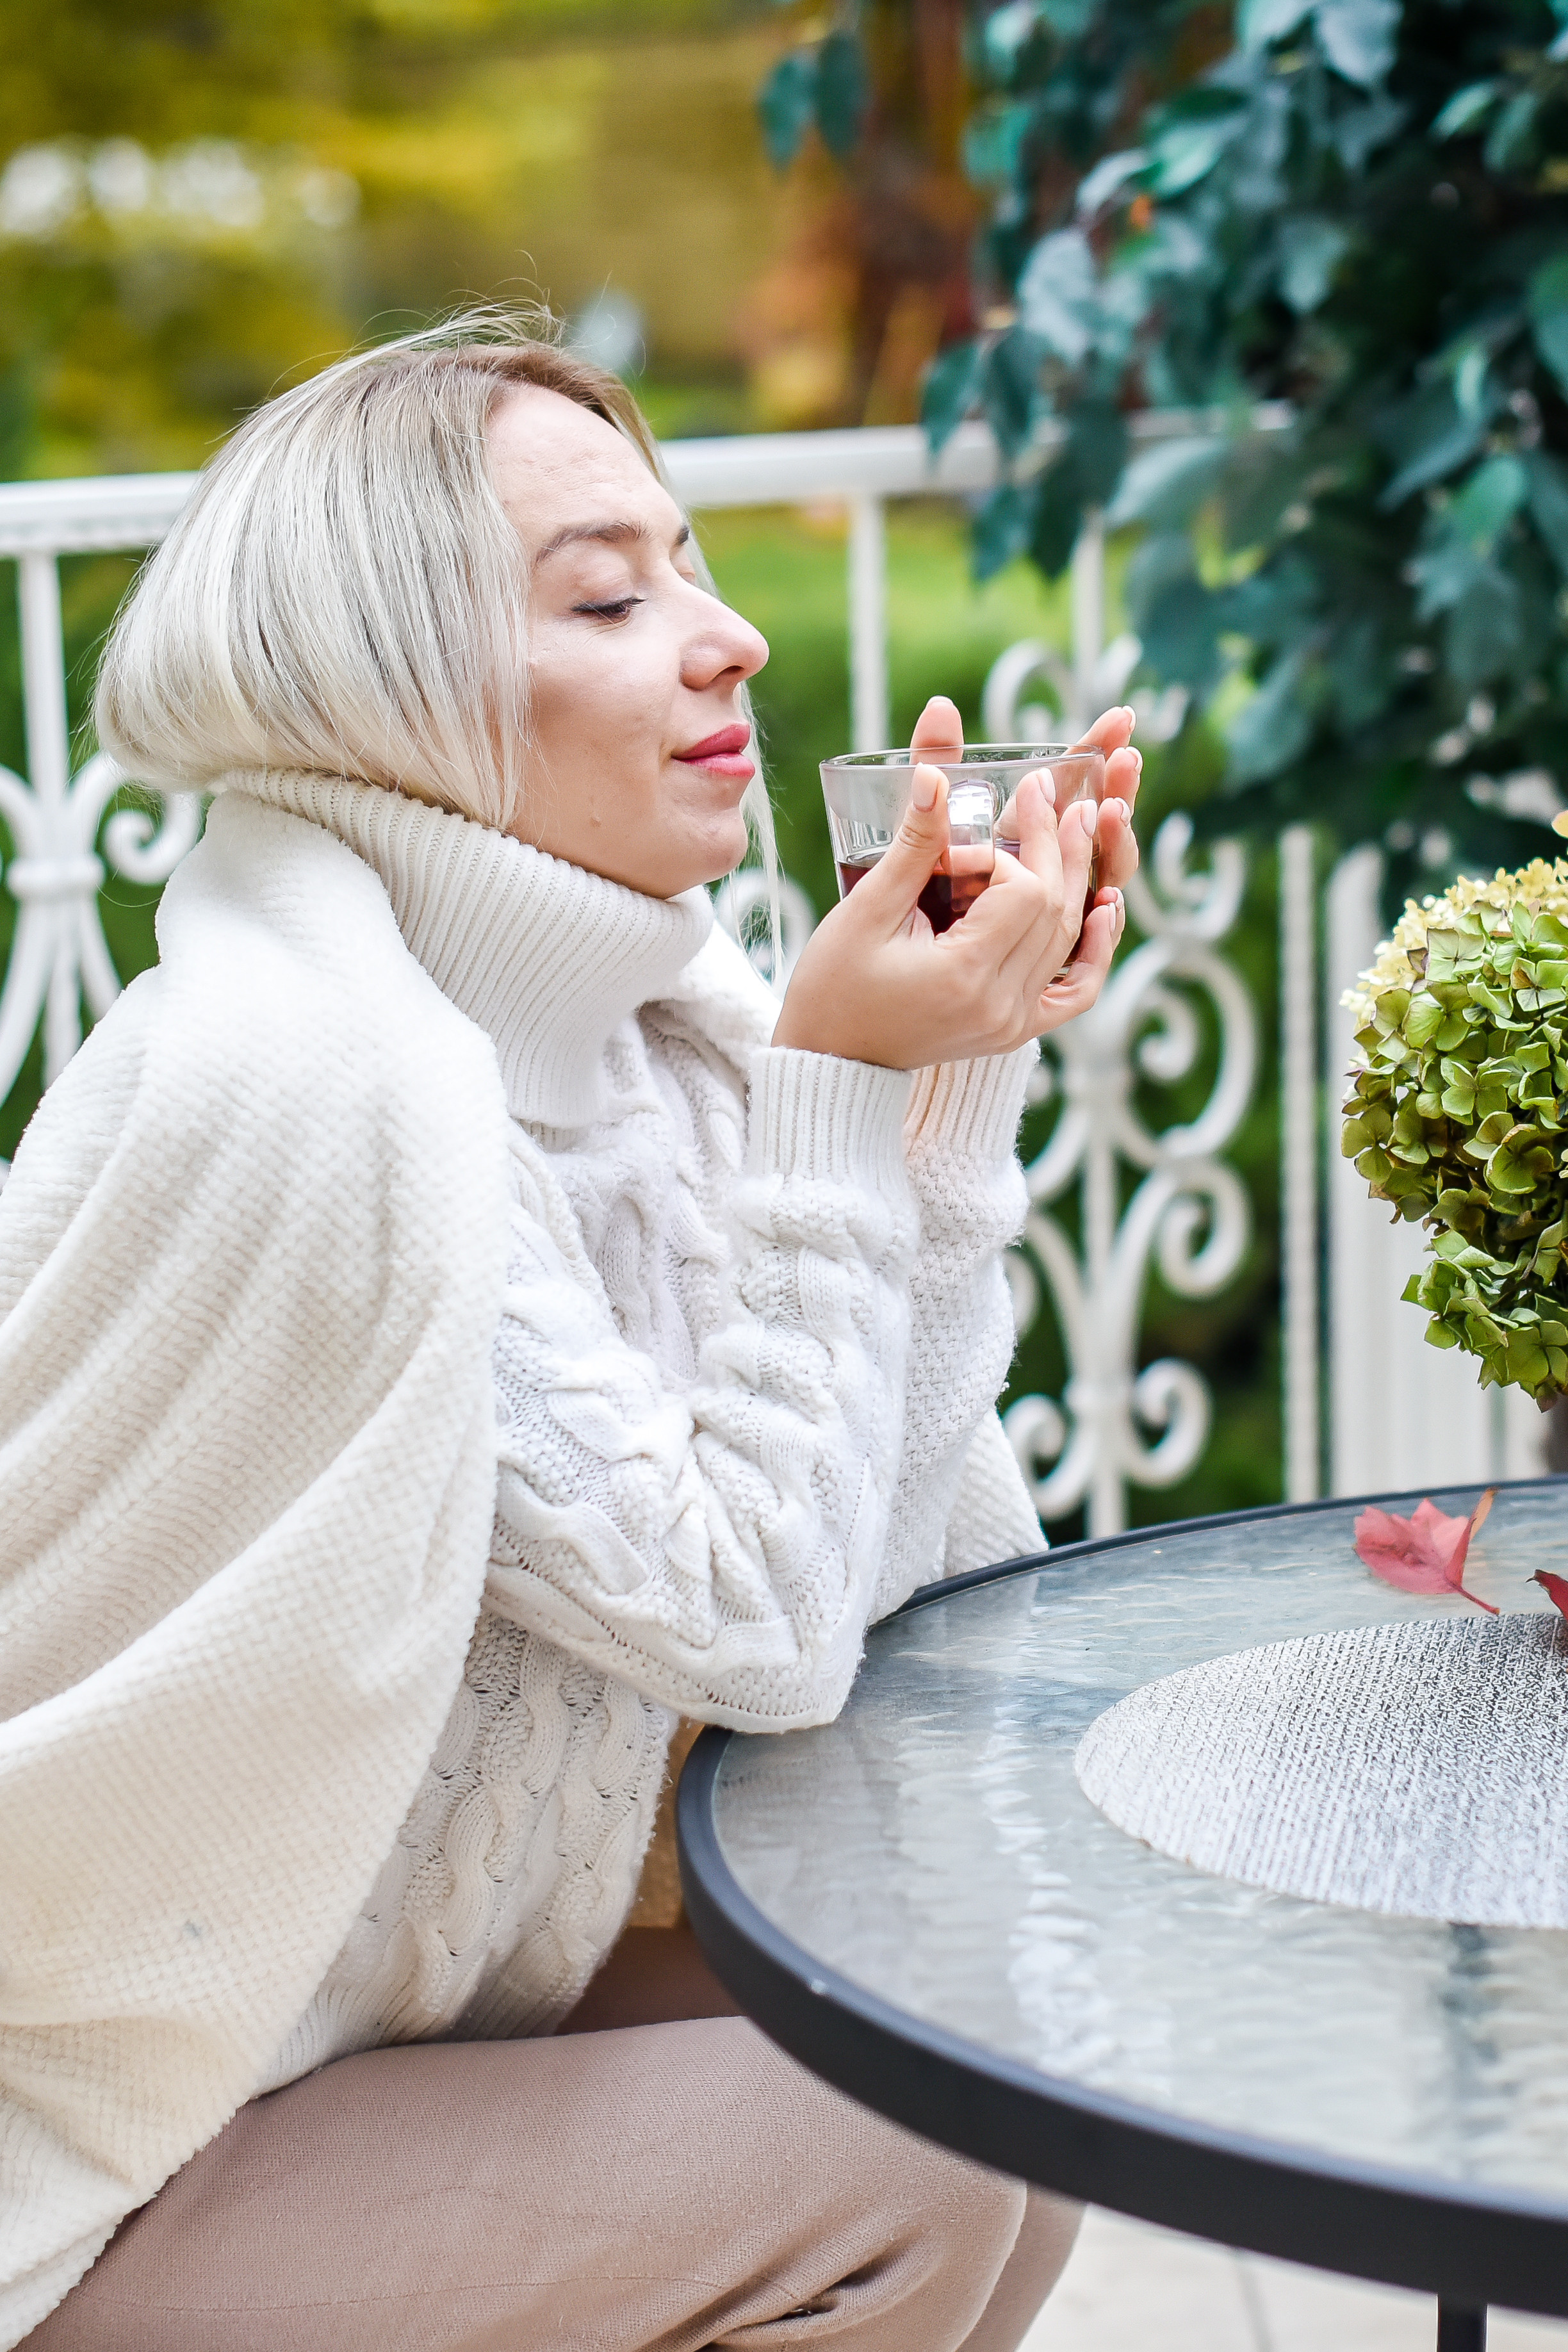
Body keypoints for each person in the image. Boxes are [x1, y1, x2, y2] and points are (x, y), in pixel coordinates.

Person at [0, 318, 1141, 2352]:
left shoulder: (660, 1033)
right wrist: (845, 1088)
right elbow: (755, 1625)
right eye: (611, 594)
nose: (729, 642)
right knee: (903, 2141)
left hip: (369, 2054)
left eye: (694, 567)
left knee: (983, 2023)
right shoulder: (312, 1085)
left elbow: (873, 1586)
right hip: (96, 2170)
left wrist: (938, 1100)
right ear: (387, 687)